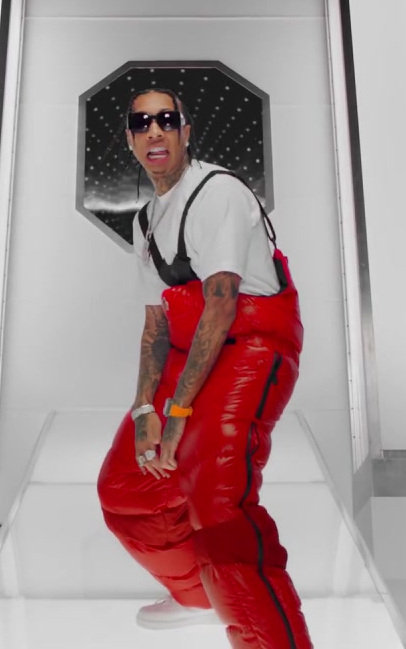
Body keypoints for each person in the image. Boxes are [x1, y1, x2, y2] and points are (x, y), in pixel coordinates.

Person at [95, 87, 314, 649]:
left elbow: (221, 304)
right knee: (127, 488)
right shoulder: (147, 220)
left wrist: (179, 413)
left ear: (185, 131)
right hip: (188, 346)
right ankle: (200, 599)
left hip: (250, 343)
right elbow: (155, 324)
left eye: (167, 119)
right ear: (130, 139)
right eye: (141, 123)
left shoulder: (217, 193)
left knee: (217, 503)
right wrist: (145, 410)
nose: (154, 130)